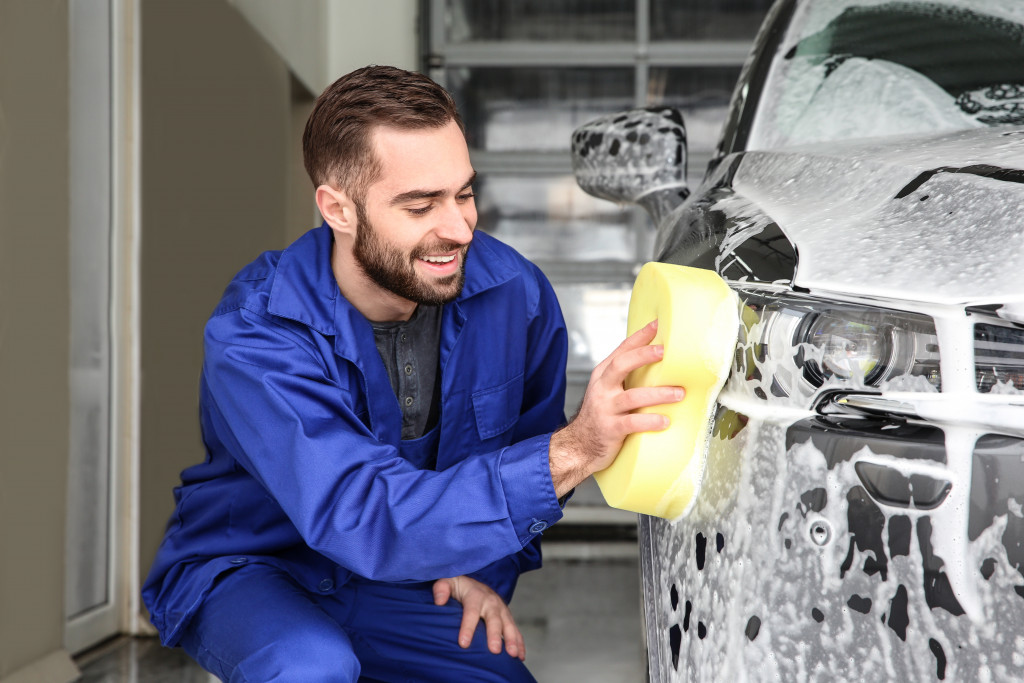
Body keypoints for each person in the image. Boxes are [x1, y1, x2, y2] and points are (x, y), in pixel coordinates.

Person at [142, 64, 682, 682]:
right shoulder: (257, 332)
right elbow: (361, 510)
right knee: (310, 666)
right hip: (256, 566)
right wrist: (577, 449)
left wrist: (480, 572)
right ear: (338, 210)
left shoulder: (516, 296)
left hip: (404, 573)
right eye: (421, 205)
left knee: (496, 677)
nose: (457, 228)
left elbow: (525, 443)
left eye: (464, 193)